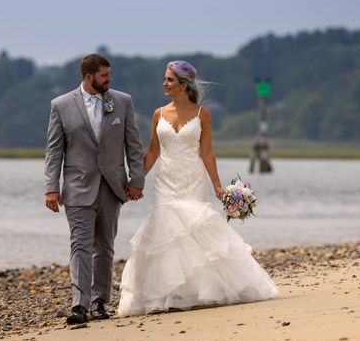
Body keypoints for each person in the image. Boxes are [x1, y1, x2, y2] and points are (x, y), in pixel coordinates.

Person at [117, 61, 277, 317]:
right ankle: (159, 298)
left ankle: (201, 292)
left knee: (194, 231)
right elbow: (153, 151)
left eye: (169, 80)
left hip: (192, 179)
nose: (164, 84)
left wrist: (216, 184)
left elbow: (208, 153)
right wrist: (136, 181)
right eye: (165, 79)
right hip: (165, 181)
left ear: (184, 85)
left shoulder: (203, 114)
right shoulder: (159, 113)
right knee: (164, 233)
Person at [45, 53, 146, 324]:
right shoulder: (61, 105)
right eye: (104, 75)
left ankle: (100, 301)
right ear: (88, 77)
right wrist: (51, 188)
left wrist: (136, 181)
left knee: (104, 246)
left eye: (109, 74)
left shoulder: (122, 101)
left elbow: (133, 145)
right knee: (80, 244)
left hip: (113, 186)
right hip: (77, 186)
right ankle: (79, 305)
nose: (109, 79)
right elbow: (54, 151)